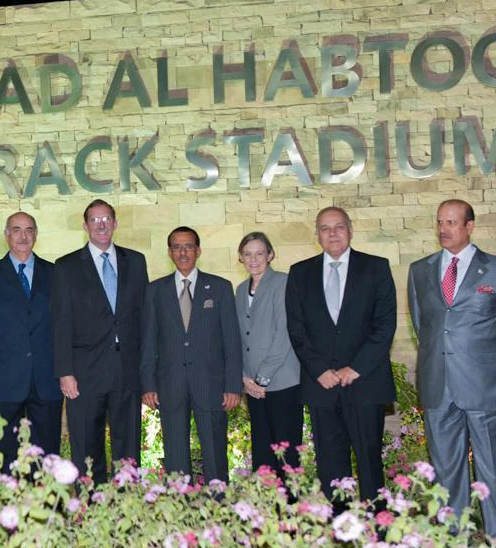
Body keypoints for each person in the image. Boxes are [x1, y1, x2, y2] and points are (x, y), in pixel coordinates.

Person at [408, 199, 496, 536]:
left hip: (486, 389)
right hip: (438, 387)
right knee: (446, 472)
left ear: (469, 226)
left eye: (451, 222)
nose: (444, 229)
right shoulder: (420, 270)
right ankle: (454, 538)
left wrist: (488, 371)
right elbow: (424, 326)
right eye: (439, 222)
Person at [285, 206, 397, 507]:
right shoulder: (300, 273)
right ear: (317, 235)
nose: (332, 233)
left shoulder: (376, 267)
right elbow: (296, 330)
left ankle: (377, 530)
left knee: (369, 461)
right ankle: (340, 526)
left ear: (350, 230)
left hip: (365, 382)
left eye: (338, 226)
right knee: (330, 465)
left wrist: (355, 368)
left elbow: (385, 325)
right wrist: (320, 370)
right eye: (325, 228)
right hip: (321, 385)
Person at [52, 199, 148, 483]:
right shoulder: (66, 267)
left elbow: (144, 318)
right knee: (86, 447)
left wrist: (147, 371)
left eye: (106, 219)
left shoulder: (137, 261)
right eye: (95, 220)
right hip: (84, 373)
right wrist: (65, 372)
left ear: (116, 223)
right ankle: (89, 509)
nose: (101, 225)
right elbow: (60, 324)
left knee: (128, 446)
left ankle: (126, 507)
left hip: (127, 371)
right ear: (85, 226)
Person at [139, 226, 242, 482]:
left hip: (211, 384)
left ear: (198, 251)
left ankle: (219, 506)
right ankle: (179, 506)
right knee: (175, 455)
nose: (182, 252)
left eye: (188, 247)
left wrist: (232, 386)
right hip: (170, 384)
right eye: (176, 247)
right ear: (169, 252)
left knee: (215, 452)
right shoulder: (155, 291)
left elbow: (231, 341)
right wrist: (148, 384)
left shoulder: (219, 287)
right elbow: (149, 341)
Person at [0, 212, 62, 472]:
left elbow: (63, 328)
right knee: (4, 452)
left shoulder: (55, 273)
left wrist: (66, 372)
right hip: (2, 381)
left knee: (47, 453)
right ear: (6, 234)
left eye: (29, 230)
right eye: (17, 230)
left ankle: (48, 506)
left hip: (47, 379)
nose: (23, 236)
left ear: (36, 235)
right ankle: (8, 508)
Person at [234, 231, 303, 477]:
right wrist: (245, 377)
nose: (253, 259)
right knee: (262, 451)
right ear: (240, 258)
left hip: (282, 382)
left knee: (286, 452)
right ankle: (265, 508)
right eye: (247, 254)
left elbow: (284, 334)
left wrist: (262, 378)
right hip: (253, 386)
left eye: (259, 253)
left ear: (271, 255)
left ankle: (290, 509)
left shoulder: (283, 282)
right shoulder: (241, 290)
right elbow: (239, 337)